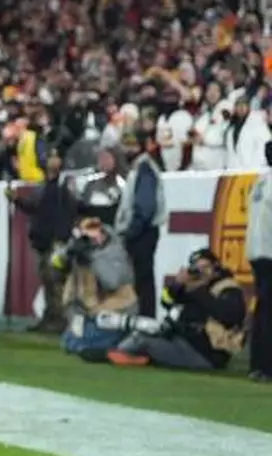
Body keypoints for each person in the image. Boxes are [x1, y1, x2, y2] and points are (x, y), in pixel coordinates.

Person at [107, 249, 246, 371]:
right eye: (196, 268)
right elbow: (166, 302)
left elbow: (230, 317)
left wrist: (199, 290)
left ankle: (115, 356)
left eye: (205, 267)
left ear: (216, 267)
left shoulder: (228, 288)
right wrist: (177, 285)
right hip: (184, 341)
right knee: (142, 333)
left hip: (207, 353)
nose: (201, 272)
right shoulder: (192, 286)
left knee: (143, 341)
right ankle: (118, 354)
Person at [6, 151, 77, 332]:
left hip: (56, 241)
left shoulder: (63, 188)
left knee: (56, 280)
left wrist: (63, 238)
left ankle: (59, 319)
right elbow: (34, 207)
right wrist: (17, 200)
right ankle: (50, 317)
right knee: (47, 280)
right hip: (42, 240)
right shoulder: (44, 187)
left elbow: (70, 212)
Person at [56, 218, 137, 356]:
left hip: (117, 313)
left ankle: (117, 344)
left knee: (81, 342)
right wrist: (69, 251)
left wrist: (91, 257)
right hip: (90, 313)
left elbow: (112, 282)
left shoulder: (116, 252)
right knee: (68, 341)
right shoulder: (79, 249)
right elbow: (55, 264)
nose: (90, 241)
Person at [115, 131, 167, 318]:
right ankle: (143, 320)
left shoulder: (144, 168)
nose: (128, 149)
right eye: (125, 144)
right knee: (141, 280)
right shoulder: (140, 168)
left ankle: (144, 320)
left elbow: (145, 208)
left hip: (142, 233)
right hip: (142, 232)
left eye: (132, 144)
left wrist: (130, 232)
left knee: (142, 280)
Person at [246, 142, 272, 382]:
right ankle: (267, 366)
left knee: (263, 309)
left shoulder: (260, 182)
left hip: (257, 252)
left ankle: (257, 363)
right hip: (270, 252)